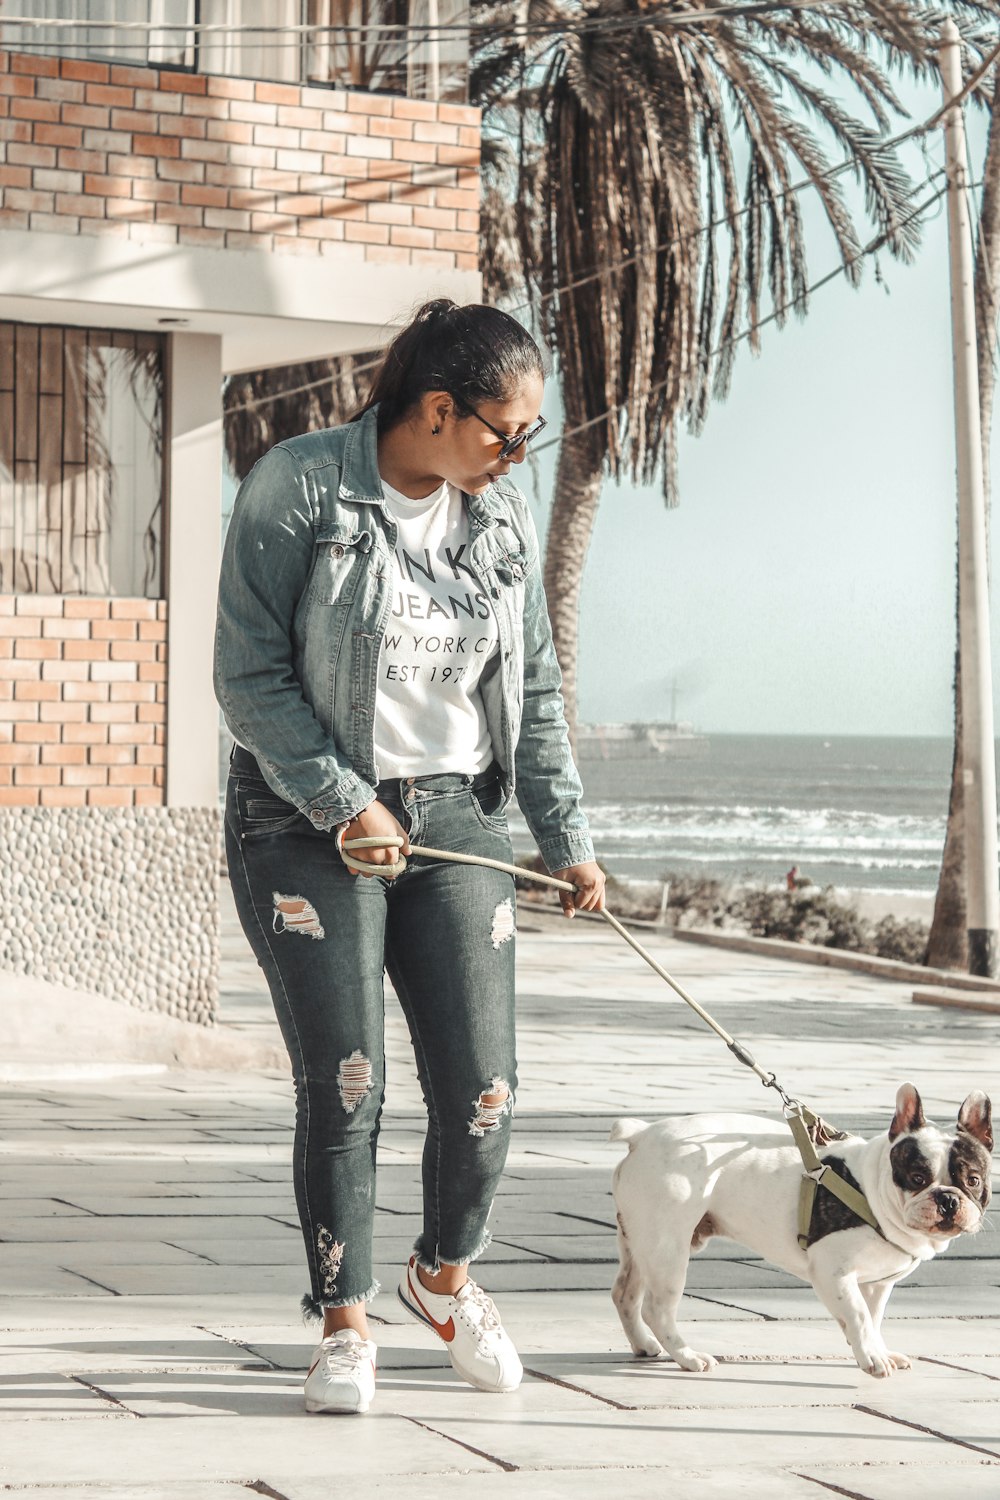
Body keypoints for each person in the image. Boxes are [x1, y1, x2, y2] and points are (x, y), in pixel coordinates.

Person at [214, 299, 605, 1416]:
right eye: (507, 429)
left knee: (485, 1090)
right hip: (301, 818)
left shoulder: (502, 516)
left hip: (455, 820)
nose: (517, 452)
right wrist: (343, 802)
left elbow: (528, 691)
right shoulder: (296, 487)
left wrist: (565, 840)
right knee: (349, 1082)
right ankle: (343, 1325)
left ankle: (444, 1277)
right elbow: (246, 678)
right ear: (439, 409)